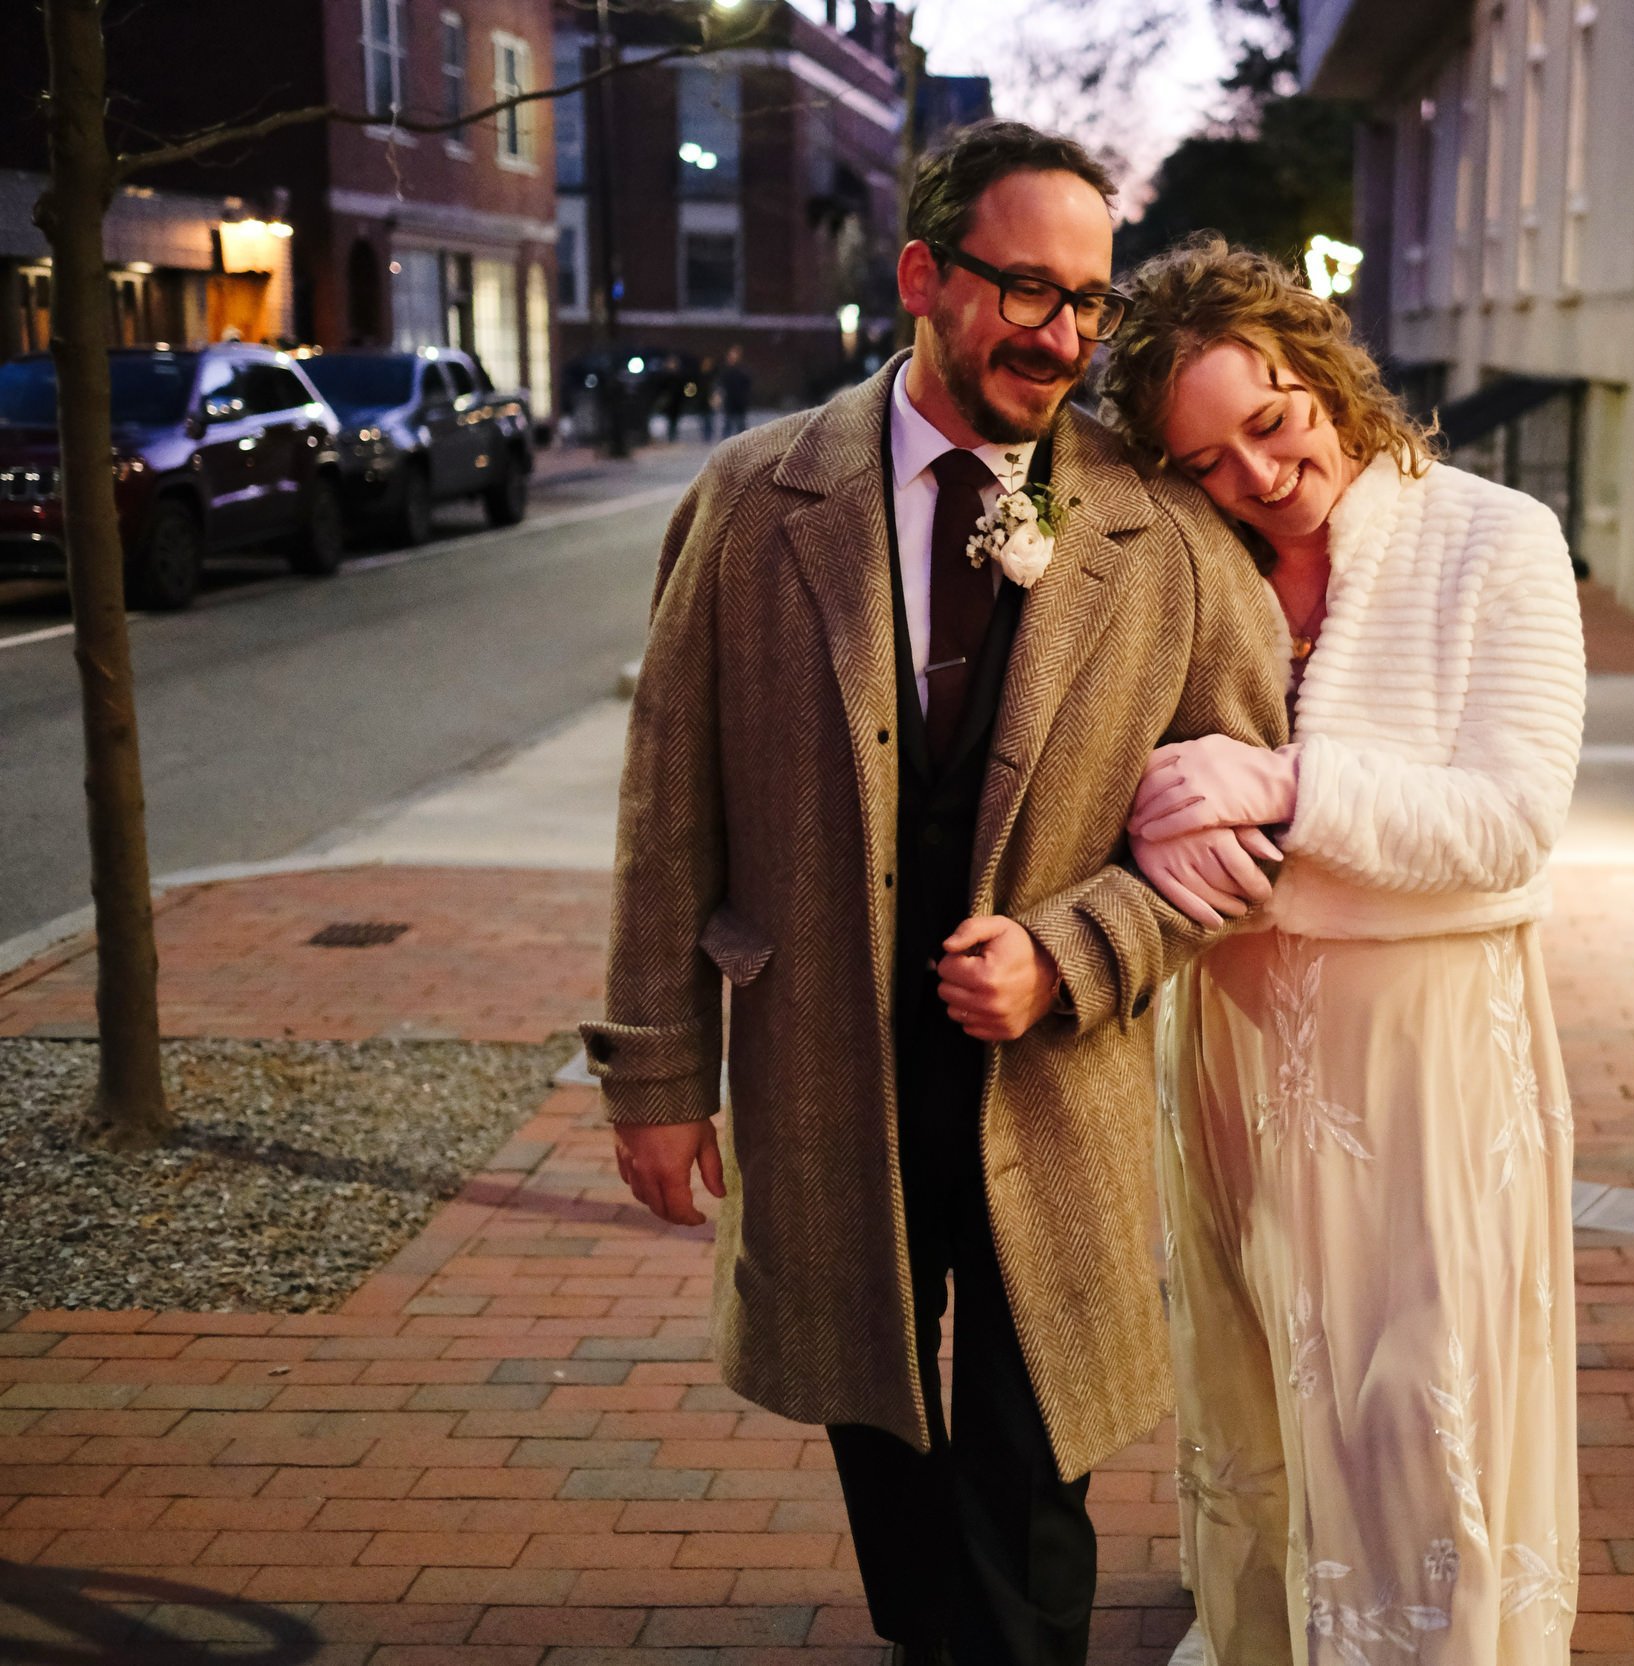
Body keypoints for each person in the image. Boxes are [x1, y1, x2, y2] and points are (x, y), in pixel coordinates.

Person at [582, 128, 1288, 1666]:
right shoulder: (755, 498)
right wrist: (655, 1069)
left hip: (1054, 1075)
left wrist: (1074, 951)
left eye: (1089, 300)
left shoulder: (1162, 529)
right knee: (883, 1425)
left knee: (1035, 1458)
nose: (1063, 333)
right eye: (1026, 287)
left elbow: (1246, 826)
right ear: (924, 276)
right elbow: (668, 805)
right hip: (828, 1058)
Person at [1096, 235, 1587, 1664]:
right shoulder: (1190, 567)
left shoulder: (1494, 537)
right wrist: (1159, 826)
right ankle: (1268, 1633)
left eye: (1273, 420)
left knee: (1412, 1395)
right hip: (1236, 1038)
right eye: (1207, 461)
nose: (1256, 474)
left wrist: (1283, 786)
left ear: (1322, 376)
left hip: (1420, 1044)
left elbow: (1510, 820)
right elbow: (1117, 775)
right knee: (1253, 1365)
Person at [716, 343, 753, 435]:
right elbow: (720, 383)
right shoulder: (725, 369)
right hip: (729, 401)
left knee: (741, 426)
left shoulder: (743, 369)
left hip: (740, 402)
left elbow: (747, 383)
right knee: (727, 425)